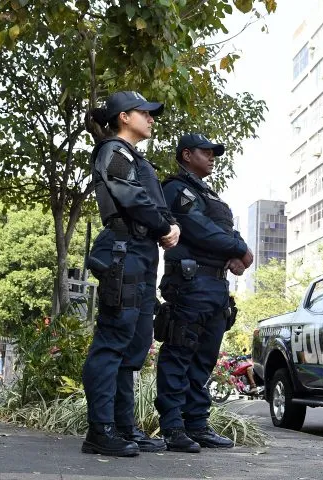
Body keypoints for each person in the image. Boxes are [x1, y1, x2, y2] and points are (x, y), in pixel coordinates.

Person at [81, 91, 180, 457]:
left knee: (133, 346)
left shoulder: (134, 156)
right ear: (124, 117)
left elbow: (147, 199)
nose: (152, 119)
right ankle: (100, 430)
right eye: (145, 113)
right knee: (112, 343)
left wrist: (165, 227)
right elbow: (131, 197)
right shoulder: (114, 151)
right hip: (125, 251)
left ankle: (124, 427)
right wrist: (164, 226)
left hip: (140, 255)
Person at [155, 133, 253, 453]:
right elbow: (198, 228)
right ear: (186, 154)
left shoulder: (208, 193)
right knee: (179, 354)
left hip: (215, 286)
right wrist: (240, 249)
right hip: (190, 283)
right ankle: (172, 427)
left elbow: (224, 230)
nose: (213, 157)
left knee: (204, 360)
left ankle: (196, 424)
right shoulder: (176, 188)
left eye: (214, 153)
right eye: (206, 152)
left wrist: (237, 255)